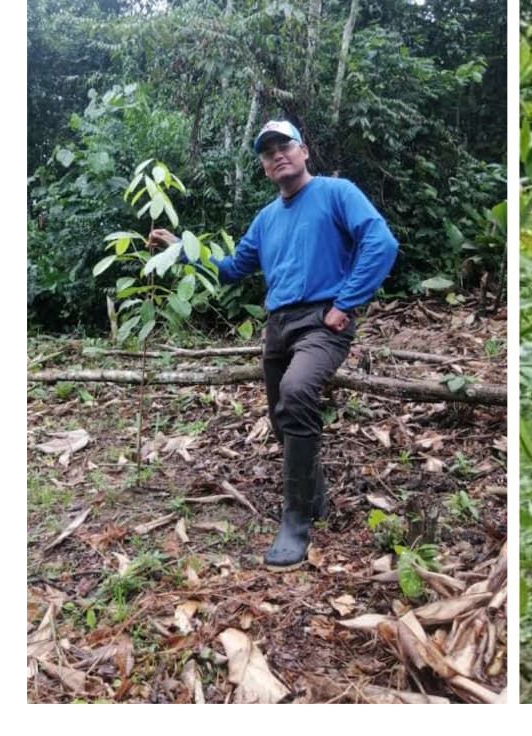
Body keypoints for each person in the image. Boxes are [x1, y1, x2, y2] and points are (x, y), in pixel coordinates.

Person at [149, 119, 399, 569]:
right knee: (284, 418)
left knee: (298, 392)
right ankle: (316, 497)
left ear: (304, 151)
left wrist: (345, 304)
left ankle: (295, 520)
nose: (277, 154)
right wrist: (180, 251)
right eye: (268, 152)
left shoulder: (335, 192)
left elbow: (380, 242)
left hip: (323, 321)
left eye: (285, 145)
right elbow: (228, 269)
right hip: (279, 326)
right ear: (265, 168)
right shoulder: (266, 220)